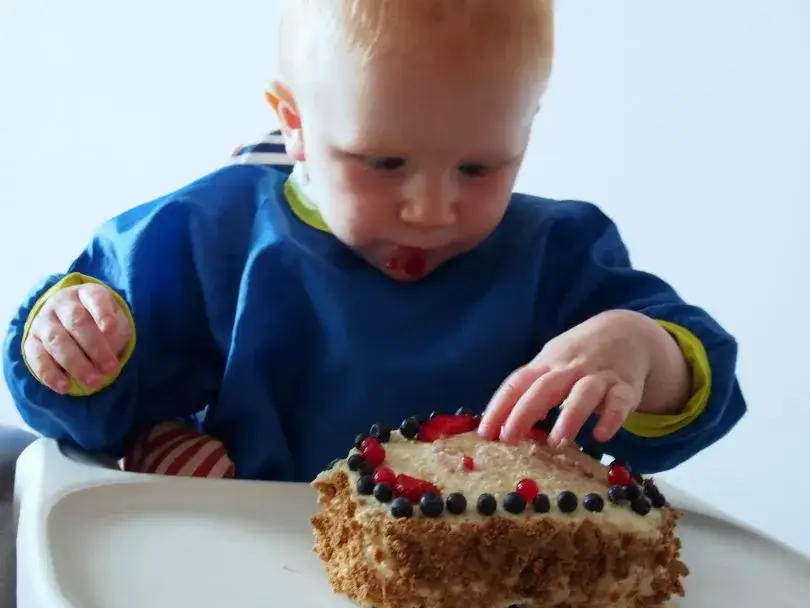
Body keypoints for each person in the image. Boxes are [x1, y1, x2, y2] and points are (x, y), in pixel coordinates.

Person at [2, 0, 745, 482]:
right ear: (293, 122)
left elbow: (697, 383)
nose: (431, 210)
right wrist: (68, 345)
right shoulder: (208, 235)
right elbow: (91, 407)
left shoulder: (557, 256)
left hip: (477, 570)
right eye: (384, 163)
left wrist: (637, 349)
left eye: (480, 166)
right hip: (237, 555)